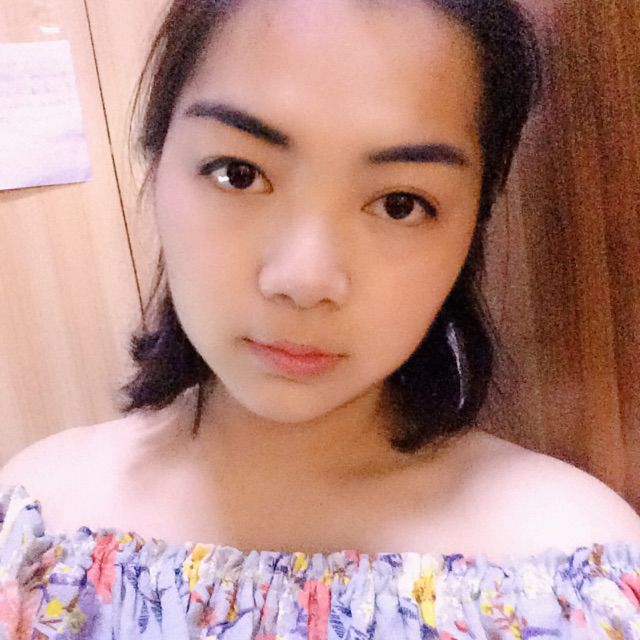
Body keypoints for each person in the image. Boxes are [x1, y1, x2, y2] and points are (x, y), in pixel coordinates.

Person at [1, 0, 640, 637]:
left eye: (400, 204)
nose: (304, 280)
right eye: (239, 173)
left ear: (474, 223)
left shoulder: (569, 583)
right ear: (157, 157)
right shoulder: (36, 530)